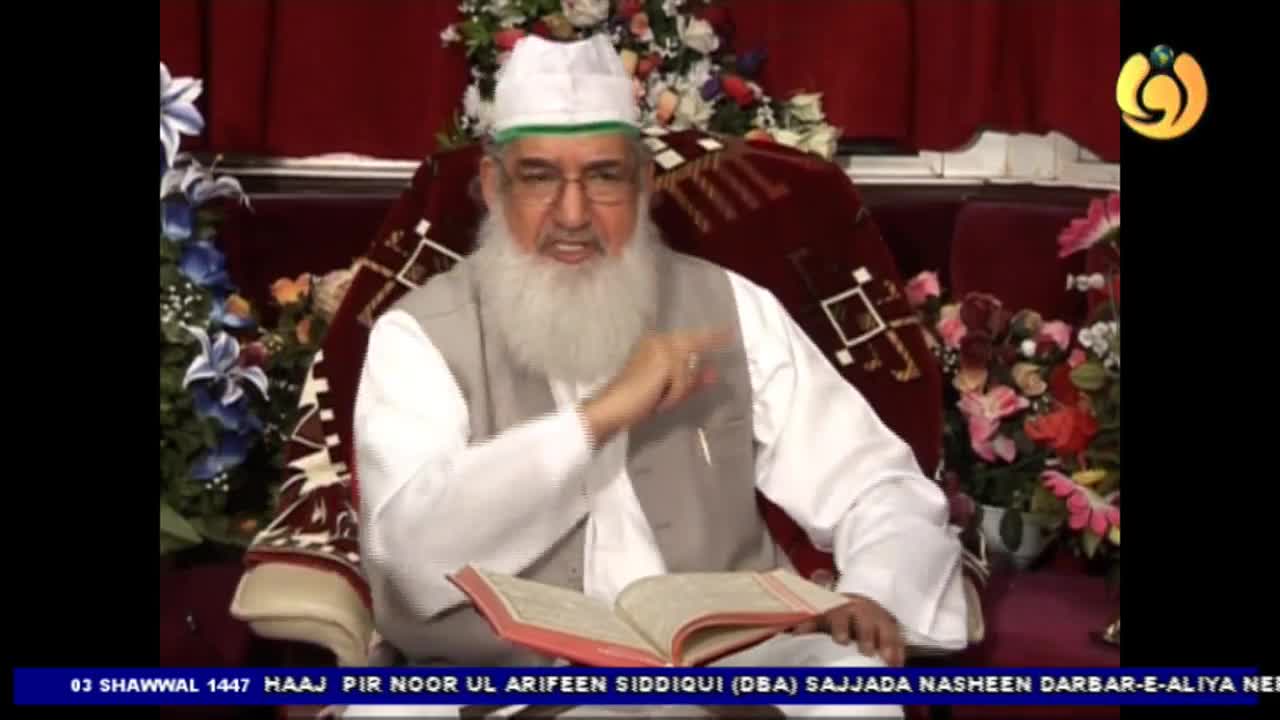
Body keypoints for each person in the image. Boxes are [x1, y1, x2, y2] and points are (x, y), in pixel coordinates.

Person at [348, 33, 968, 719]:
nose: (574, 215)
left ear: (644, 183)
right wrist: (598, 420)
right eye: (540, 177)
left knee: (854, 695)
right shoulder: (420, 334)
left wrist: (876, 588)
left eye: (605, 176)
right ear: (495, 187)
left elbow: (874, 481)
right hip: (512, 677)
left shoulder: (727, 306)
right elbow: (409, 551)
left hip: (722, 663)